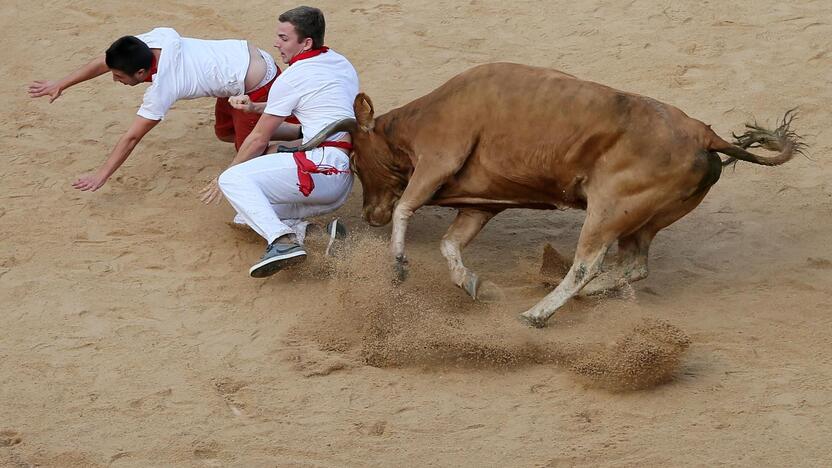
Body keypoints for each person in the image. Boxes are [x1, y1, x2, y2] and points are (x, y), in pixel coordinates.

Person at [28, 28, 300, 192]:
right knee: (225, 134)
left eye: (120, 77)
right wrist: (61, 84)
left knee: (249, 151)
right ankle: (301, 130)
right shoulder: (152, 41)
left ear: (141, 72)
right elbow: (104, 61)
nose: (114, 80)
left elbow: (132, 137)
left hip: (255, 82)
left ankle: (309, 139)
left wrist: (101, 174)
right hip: (234, 73)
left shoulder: (163, 87)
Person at [200, 6, 358, 278]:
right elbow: (303, 129)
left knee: (233, 181)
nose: (277, 43)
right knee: (246, 213)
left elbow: (259, 138)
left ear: (305, 42)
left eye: (284, 38)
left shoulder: (293, 77)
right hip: (340, 177)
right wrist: (255, 109)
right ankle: (319, 235)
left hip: (320, 168)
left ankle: (281, 243)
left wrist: (224, 176)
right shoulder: (339, 62)